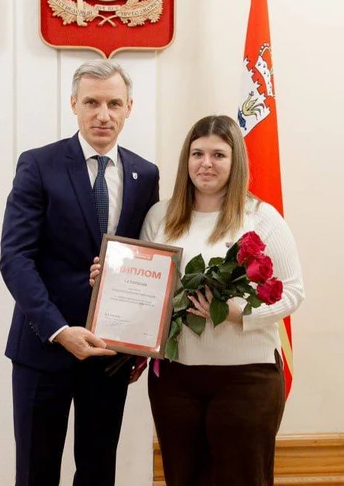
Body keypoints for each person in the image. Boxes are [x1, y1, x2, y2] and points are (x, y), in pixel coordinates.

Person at [92, 114, 304, 486]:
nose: (206, 163)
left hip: (246, 380)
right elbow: (146, 289)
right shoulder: (162, 216)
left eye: (218, 155)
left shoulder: (261, 218)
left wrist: (240, 315)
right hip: (176, 381)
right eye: (197, 153)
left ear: (235, 161)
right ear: (186, 160)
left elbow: (293, 292)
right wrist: (110, 278)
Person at [0, 60, 160, 486]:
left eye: (113, 103)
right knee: (36, 471)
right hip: (44, 347)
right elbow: (15, 258)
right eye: (91, 102)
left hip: (110, 354)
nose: (102, 114)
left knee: (97, 470)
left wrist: (141, 340)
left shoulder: (146, 175)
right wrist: (58, 329)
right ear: (74, 104)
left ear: (129, 108)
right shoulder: (39, 165)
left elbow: (146, 262)